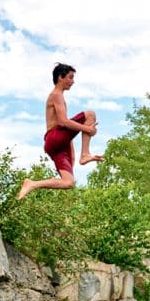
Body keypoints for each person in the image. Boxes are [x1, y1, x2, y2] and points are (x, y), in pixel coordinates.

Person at [16, 63, 102, 200]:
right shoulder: (56, 95)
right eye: (70, 77)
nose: (73, 81)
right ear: (60, 77)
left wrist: (71, 152)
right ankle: (85, 154)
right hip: (54, 136)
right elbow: (63, 121)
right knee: (90, 114)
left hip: (55, 145)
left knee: (69, 182)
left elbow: (65, 128)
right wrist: (88, 129)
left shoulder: (58, 95)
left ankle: (32, 184)